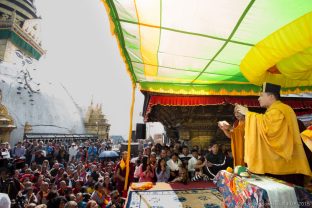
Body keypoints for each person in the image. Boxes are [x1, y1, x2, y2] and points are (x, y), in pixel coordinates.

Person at [236, 82, 311, 186]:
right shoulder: (274, 111)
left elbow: (270, 130)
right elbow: (264, 126)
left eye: (261, 95)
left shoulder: (280, 110)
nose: (258, 99)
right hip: (280, 166)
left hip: (284, 168)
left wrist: (248, 114)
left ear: (271, 96)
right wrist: (245, 118)